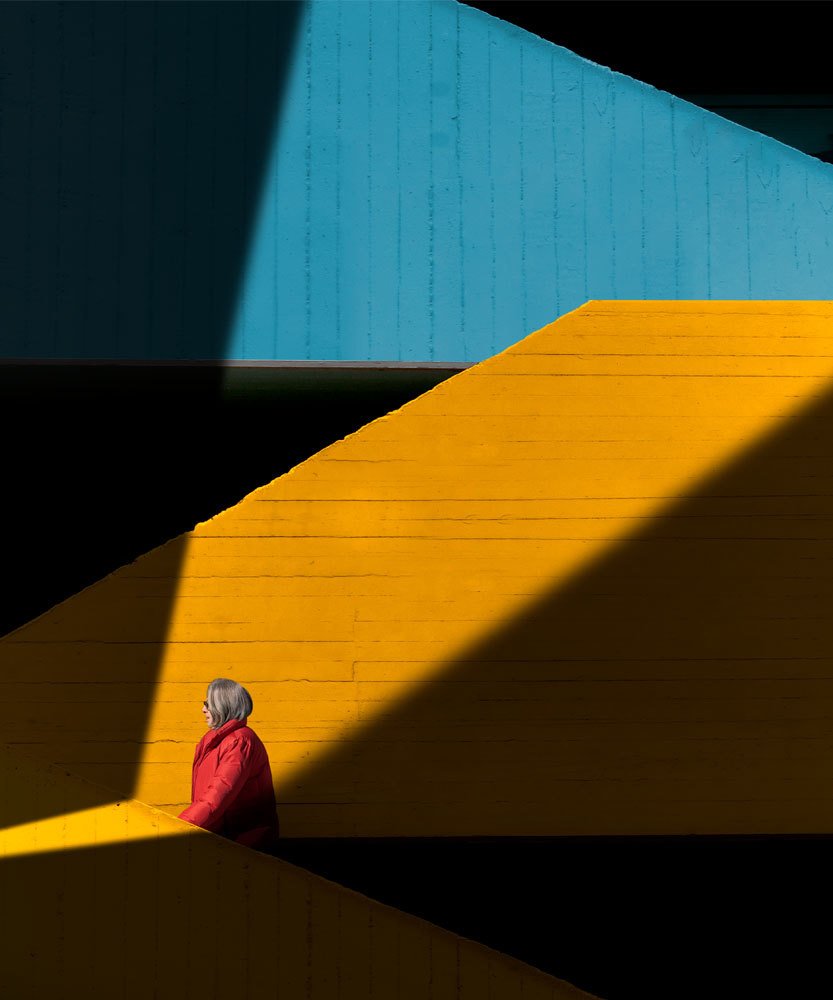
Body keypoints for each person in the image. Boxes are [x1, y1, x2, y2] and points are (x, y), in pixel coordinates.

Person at [178, 677, 279, 851]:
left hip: (243, 845)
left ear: (224, 705)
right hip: (222, 840)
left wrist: (180, 826)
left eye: (208, 704)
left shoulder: (240, 741)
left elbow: (219, 792)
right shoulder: (213, 741)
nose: (203, 709)